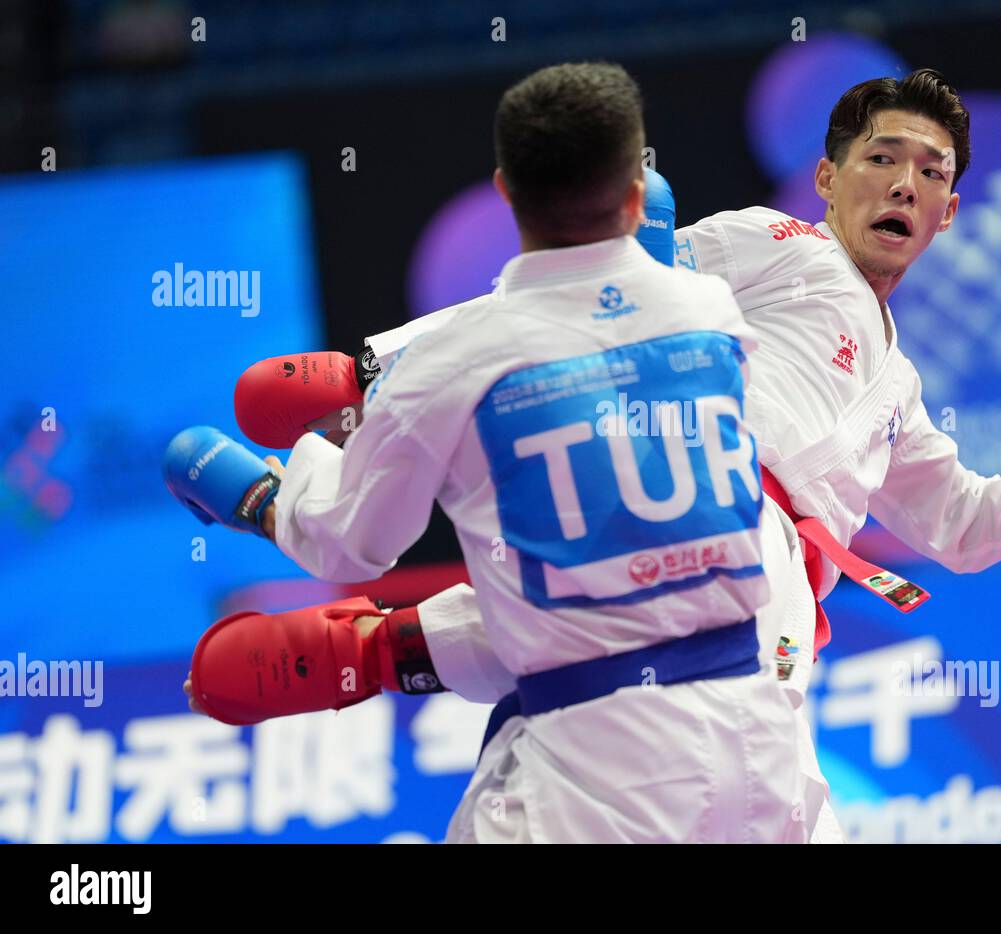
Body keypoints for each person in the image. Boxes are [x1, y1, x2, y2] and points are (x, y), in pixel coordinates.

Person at [184, 68, 1001, 843]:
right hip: (701, 512)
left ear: (949, 214)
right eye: (883, 157)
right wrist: (369, 368)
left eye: (932, 174)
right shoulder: (780, 244)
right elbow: (577, 284)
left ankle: (377, 648)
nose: (906, 183)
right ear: (828, 178)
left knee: (601, 634)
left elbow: (965, 530)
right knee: (608, 604)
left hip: (767, 609)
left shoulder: (901, 393)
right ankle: (372, 638)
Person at [166, 61, 816, 844]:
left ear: (504, 189)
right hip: (763, 748)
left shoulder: (455, 362)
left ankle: (376, 645)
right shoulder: (712, 311)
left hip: (600, 775)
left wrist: (267, 499)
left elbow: (352, 541)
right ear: (637, 195)